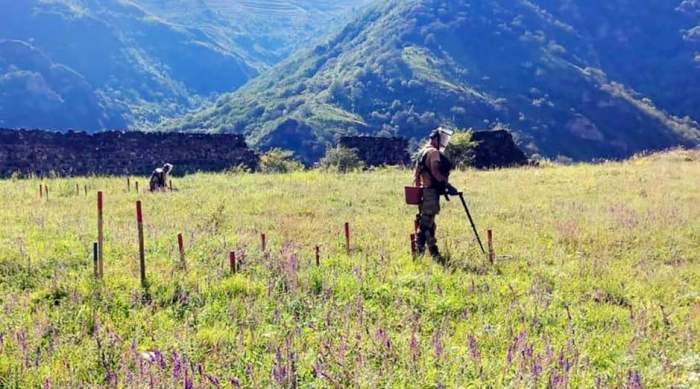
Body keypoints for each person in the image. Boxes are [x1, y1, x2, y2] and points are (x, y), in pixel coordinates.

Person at [413, 127, 455, 262]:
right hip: (431, 191)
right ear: (436, 139)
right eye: (442, 139)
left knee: (430, 224)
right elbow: (436, 172)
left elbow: (416, 175)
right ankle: (418, 252)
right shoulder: (434, 153)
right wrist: (446, 184)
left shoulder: (422, 152)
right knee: (426, 223)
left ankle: (435, 254)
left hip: (423, 191)